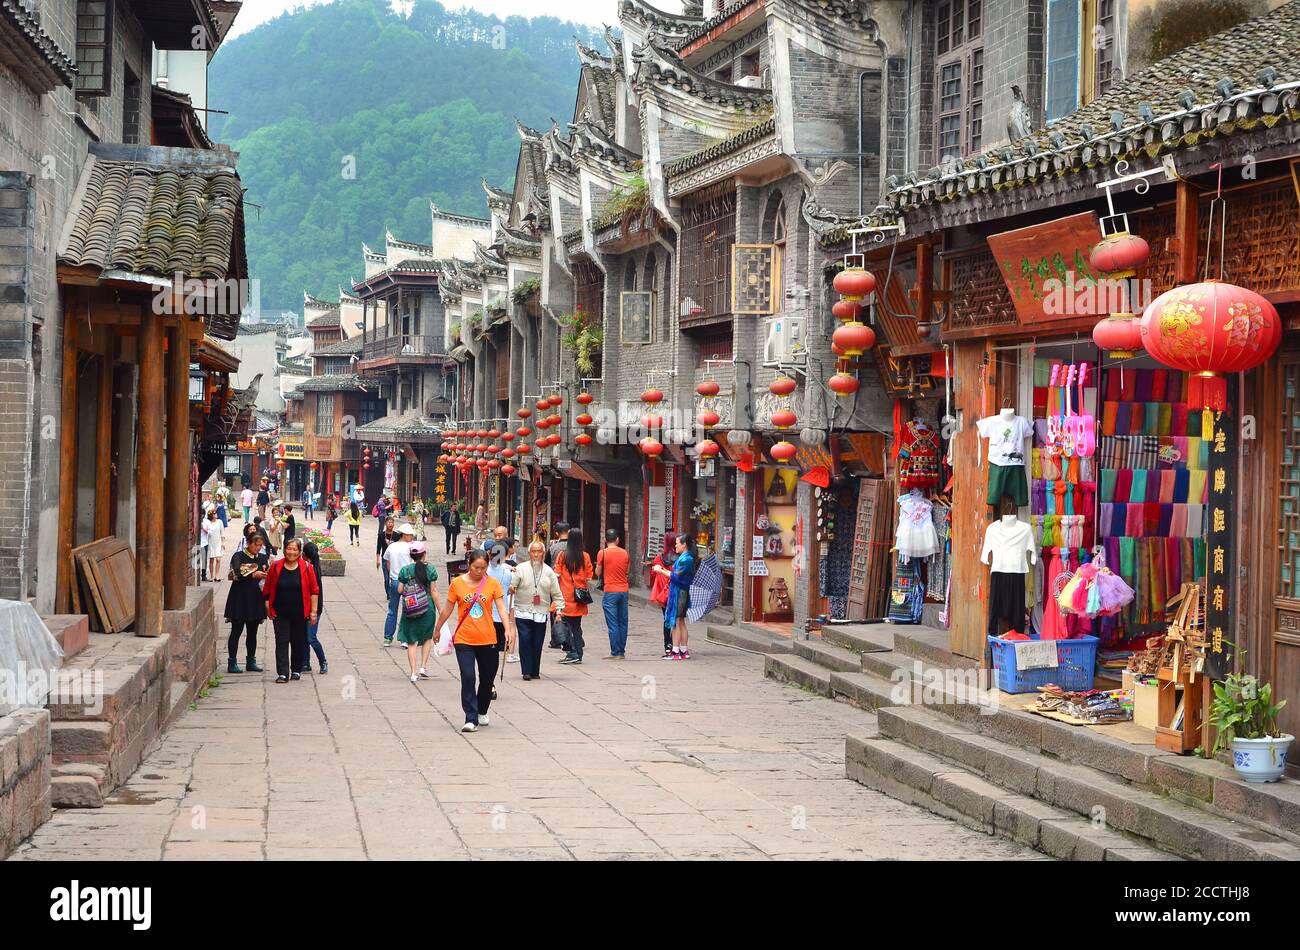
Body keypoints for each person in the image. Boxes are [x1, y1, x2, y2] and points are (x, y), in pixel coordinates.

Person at [431, 548, 513, 733]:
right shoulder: (458, 583)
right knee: (468, 677)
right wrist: (437, 629)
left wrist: (508, 629)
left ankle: (482, 709)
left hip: (488, 638)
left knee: (487, 678)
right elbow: (447, 609)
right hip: (464, 639)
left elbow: (501, 608)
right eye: (476, 567)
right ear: (469, 565)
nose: (480, 571)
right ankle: (470, 717)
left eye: (483, 568)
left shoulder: (492, 584)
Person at [262, 538, 320, 683]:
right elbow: (267, 589)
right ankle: (282, 672)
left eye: (295, 549)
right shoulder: (276, 567)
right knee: (281, 641)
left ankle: (296, 669)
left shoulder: (307, 567)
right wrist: (268, 606)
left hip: (300, 613)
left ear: (299, 552)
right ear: (284, 549)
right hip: (280, 612)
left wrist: (313, 612)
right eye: (289, 548)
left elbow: (314, 591)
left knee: (297, 641)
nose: (291, 552)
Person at [509, 540, 564, 681]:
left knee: (537, 642)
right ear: (529, 553)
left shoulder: (549, 572)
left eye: (539, 552)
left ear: (544, 554)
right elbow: (512, 586)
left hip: (541, 612)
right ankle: (526, 671)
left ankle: (535, 670)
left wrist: (559, 611)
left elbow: (557, 594)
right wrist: (511, 588)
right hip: (523, 610)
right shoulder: (520, 568)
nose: (536, 554)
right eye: (533, 551)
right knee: (525, 640)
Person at [224, 532, 268, 674]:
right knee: (236, 630)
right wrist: (252, 574)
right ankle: (232, 661)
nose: (258, 548)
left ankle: (251, 661)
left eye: (260, 545)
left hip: (255, 598)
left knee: (252, 632)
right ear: (249, 543)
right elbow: (234, 574)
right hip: (239, 597)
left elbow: (265, 574)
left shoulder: (262, 557)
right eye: (256, 545)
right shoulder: (238, 556)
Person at [396, 542, 440, 684]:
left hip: (411, 607)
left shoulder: (405, 570)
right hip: (428, 607)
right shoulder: (431, 569)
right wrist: (440, 608)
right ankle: (423, 667)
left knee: (411, 641)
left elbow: (399, 590)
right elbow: (433, 591)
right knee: (427, 637)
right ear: (424, 554)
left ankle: (413, 672)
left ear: (411, 556)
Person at [654, 534, 697, 660]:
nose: (676, 545)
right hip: (681, 592)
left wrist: (661, 571)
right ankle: (683, 650)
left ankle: (676, 651)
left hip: (680, 593)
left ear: (684, 545)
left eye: (677, 543)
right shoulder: (686, 557)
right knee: (681, 622)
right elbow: (675, 574)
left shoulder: (686, 559)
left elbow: (677, 578)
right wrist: (662, 569)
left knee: (677, 622)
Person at [554, 528, 593, 666]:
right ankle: (577, 652)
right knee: (576, 626)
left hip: (565, 596)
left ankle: (574, 653)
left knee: (568, 627)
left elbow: (556, 575)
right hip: (579, 598)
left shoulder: (562, 556)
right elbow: (589, 576)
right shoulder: (586, 556)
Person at [596, 528, 631, 659]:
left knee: (613, 623)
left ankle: (615, 652)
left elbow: (598, 573)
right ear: (617, 540)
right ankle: (621, 651)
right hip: (624, 590)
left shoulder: (602, 553)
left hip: (610, 590)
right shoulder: (625, 553)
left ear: (606, 540)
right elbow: (627, 571)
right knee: (623, 622)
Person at [382, 523, 417, 645]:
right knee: (408, 610)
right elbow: (414, 564)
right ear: (404, 535)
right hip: (408, 582)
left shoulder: (391, 547)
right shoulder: (411, 548)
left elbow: (387, 563)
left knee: (392, 610)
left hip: (395, 581)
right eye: (410, 535)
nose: (412, 537)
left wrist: (392, 574)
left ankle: (387, 637)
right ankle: (404, 639)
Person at [299, 540, 329, 674]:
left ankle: (323, 661)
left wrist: (314, 611)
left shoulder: (312, 569)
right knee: (304, 636)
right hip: (305, 607)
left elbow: (314, 592)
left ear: (305, 554)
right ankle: (305, 663)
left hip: (314, 609)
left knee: (311, 637)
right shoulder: (311, 566)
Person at [487, 539, 516, 671]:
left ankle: (487, 679)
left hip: (485, 616)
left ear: (489, 553)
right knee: (494, 653)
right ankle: (490, 680)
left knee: (484, 651)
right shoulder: (507, 573)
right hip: (500, 616)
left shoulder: (483, 571)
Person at [649, 531, 679, 658]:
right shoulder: (680, 558)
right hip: (676, 591)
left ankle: (668, 645)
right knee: (677, 619)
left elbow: (653, 574)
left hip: (663, 593)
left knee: (666, 618)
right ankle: (677, 645)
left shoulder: (659, 558)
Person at [546, 522, 570, 649]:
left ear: (556, 533)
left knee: (555, 610)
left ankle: (556, 639)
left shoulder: (553, 548)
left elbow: (547, 564)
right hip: (571, 585)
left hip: (556, 583)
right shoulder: (576, 547)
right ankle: (570, 637)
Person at [376, 516, 397, 597]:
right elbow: (378, 548)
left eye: (392, 522)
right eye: (389, 522)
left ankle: (392, 593)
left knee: (393, 578)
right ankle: (388, 594)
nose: (390, 524)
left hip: (394, 559)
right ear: (385, 524)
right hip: (385, 559)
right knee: (386, 578)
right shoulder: (381, 535)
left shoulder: (396, 535)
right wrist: (377, 560)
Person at [202, 509, 225, 584]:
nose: (216, 514)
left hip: (218, 542)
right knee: (211, 560)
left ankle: (217, 575)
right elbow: (208, 532)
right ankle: (212, 576)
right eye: (214, 513)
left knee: (218, 559)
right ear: (211, 515)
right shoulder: (208, 523)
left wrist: (223, 542)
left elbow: (222, 532)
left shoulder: (219, 522)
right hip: (210, 542)